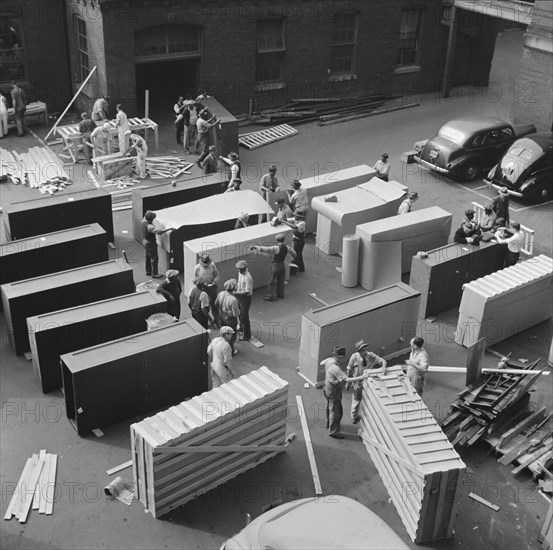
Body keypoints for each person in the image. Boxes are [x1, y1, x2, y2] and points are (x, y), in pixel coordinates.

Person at [322, 346, 371, 439]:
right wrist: (362, 377)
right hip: (334, 392)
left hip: (326, 388)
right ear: (340, 357)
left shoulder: (329, 360)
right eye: (343, 356)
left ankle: (327, 423)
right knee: (336, 412)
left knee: (328, 406)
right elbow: (347, 379)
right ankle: (334, 432)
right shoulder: (336, 369)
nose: (345, 358)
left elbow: (322, 363)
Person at [346, 340, 388, 424]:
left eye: (365, 349)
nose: (365, 352)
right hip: (358, 383)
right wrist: (348, 382)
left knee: (369, 399)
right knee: (356, 400)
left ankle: (369, 417)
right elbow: (349, 369)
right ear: (359, 351)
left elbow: (383, 361)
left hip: (369, 383)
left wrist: (383, 367)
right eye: (363, 350)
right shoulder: (354, 357)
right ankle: (354, 417)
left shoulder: (370, 355)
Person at [249, 234, 296, 302]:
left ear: (277, 240)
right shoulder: (287, 247)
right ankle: (280, 294)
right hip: (282, 265)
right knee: (281, 280)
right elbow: (294, 253)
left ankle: (270, 296)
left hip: (275, 266)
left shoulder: (276, 248)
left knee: (271, 281)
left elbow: (266, 249)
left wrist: (255, 247)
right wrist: (294, 258)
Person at [142, 210, 175, 278]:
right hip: (150, 243)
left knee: (147, 257)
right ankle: (155, 273)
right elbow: (159, 232)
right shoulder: (150, 227)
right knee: (154, 258)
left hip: (145, 241)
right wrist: (169, 228)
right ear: (151, 219)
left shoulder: (143, 221)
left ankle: (148, 271)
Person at [215, 279, 240, 355]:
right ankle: (231, 351)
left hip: (222, 315)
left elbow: (216, 304)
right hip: (230, 319)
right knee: (231, 336)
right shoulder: (233, 299)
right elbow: (235, 314)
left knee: (224, 332)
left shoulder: (221, 294)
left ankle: (223, 347)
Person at [194, 255, 220, 324]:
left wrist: (214, 282)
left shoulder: (212, 265)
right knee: (204, 306)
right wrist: (202, 284)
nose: (206, 266)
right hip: (203, 288)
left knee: (214, 305)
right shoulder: (197, 267)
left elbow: (217, 275)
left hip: (212, 287)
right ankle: (207, 321)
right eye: (204, 265)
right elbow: (196, 279)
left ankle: (216, 321)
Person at [235, 260, 253, 342]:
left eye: (239, 268)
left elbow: (247, 291)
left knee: (245, 316)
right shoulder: (240, 273)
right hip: (240, 296)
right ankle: (241, 327)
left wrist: (236, 293)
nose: (238, 270)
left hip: (245, 298)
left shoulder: (248, 277)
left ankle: (247, 335)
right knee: (240, 313)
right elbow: (239, 283)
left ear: (244, 268)